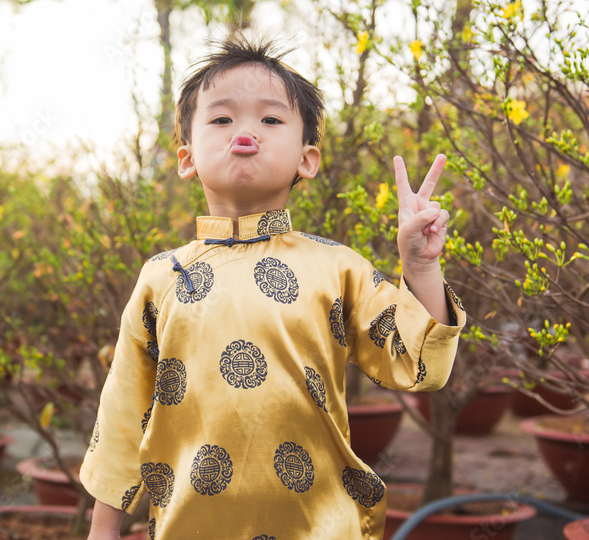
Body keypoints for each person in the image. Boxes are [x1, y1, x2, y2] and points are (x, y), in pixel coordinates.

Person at [81, 35, 466, 539]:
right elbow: (122, 415)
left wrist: (420, 265)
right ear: (187, 157)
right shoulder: (162, 277)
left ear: (307, 159)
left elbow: (418, 362)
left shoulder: (337, 268)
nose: (245, 133)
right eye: (221, 119)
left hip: (320, 527)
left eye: (270, 119)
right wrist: (104, 531)